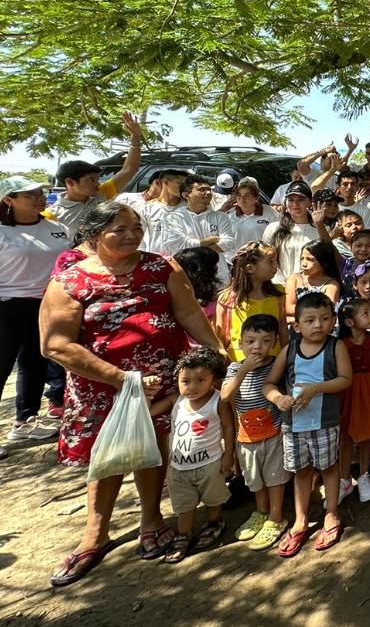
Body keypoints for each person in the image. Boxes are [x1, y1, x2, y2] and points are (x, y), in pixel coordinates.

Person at [39, 201, 222, 586]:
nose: (131, 235)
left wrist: (216, 352)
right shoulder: (70, 281)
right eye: (119, 229)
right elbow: (56, 344)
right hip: (102, 385)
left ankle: (152, 517)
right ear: (94, 234)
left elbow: (188, 313)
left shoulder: (161, 265)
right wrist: (120, 377)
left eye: (135, 227)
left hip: (162, 378)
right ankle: (95, 532)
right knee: (108, 456)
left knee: (151, 447)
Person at [264, 292, 353, 556]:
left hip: (324, 422)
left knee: (328, 468)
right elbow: (269, 383)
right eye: (311, 320)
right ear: (297, 325)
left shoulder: (335, 347)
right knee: (301, 471)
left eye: (325, 319)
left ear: (333, 320)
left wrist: (317, 389)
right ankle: (301, 520)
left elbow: (346, 379)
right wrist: (278, 398)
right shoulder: (289, 350)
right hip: (293, 424)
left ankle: (332, 514)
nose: (318, 325)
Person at [1, 175, 71, 449]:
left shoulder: (56, 227)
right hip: (8, 305)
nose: (39, 198)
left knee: (34, 363)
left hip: (47, 304)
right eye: (29, 195)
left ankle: (25, 421)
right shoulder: (2, 231)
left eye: (40, 192)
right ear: (9, 199)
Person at [221, 314, 289, 552]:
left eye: (264, 341)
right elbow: (225, 395)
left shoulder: (275, 365)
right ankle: (260, 511)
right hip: (246, 437)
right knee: (255, 479)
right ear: (240, 343)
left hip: (273, 434)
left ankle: (276, 516)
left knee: (274, 478)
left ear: (273, 344)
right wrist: (243, 370)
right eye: (250, 341)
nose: (257, 347)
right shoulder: (234, 368)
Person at [161, 347, 234, 564]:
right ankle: (184, 534)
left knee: (213, 499)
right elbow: (149, 410)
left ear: (213, 379)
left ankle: (214, 523)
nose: (192, 387)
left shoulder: (217, 400)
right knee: (184, 504)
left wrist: (228, 455)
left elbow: (229, 428)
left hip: (210, 465)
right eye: (185, 381)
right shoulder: (177, 400)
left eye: (201, 380)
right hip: (178, 467)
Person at [44, 112, 142, 235]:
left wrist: (136, 138)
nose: (97, 184)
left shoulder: (102, 193)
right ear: (70, 182)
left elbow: (129, 169)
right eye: (91, 180)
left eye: (97, 179)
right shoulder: (51, 215)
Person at [336, 299, 370, 504]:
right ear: (349, 322)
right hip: (346, 393)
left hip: (369, 392)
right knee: (345, 437)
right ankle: (344, 480)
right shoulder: (340, 346)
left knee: (366, 437)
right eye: (365, 313)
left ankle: (364, 475)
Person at [158, 175, 235, 279]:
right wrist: (205, 242)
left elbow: (229, 242)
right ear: (186, 195)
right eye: (201, 190)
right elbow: (177, 244)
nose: (208, 193)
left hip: (218, 275)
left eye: (208, 189)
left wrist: (193, 247)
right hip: (185, 276)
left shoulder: (221, 217)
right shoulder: (173, 218)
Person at [263, 181, 321, 281]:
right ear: (285, 203)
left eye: (301, 199)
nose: (295, 204)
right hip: (279, 287)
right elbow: (265, 259)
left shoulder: (320, 229)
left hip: (311, 287)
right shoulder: (273, 228)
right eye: (291, 200)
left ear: (310, 202)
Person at [285, 241, 342, 323]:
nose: (304, 264)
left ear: (324, 262)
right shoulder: (294, 279)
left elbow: (326, 310)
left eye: (310, 259)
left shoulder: (331, 284)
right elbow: (289, 307)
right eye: (302, 259)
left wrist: (303, 319)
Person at [227, 178, 279, 249]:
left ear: (257, 198)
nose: (242, 199)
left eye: (247, 195)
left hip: (262, 257)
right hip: (235, 258)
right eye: (239, 195)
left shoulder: (270, 212)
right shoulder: (229, 215)